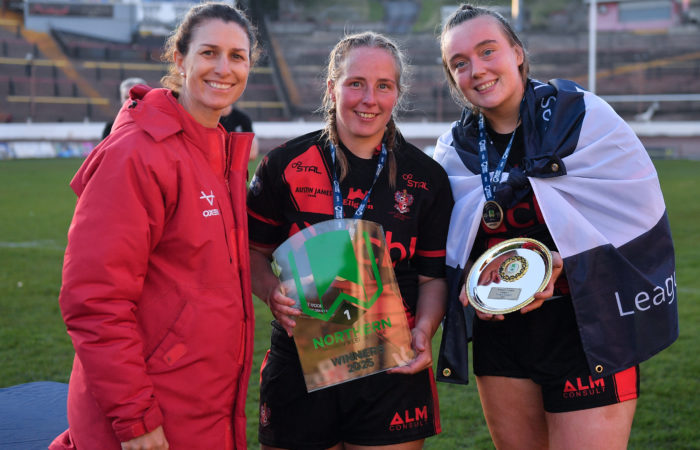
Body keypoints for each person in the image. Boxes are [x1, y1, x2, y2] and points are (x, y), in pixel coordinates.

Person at [433, 4, 678, 449]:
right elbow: (447, 242)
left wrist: (564, 262)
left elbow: (638, 215)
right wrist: (468, 279)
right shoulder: (454, 149)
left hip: (588, 327)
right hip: (500, 336)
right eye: (460, 63)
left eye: (488, 51)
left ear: (517, 53)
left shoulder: (582, 117)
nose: (477, 70)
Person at [50, 3, 259, 449]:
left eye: (237, 56)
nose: (224, 68)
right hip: (151, 418)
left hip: (202, 408)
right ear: (180, 60)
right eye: (209, 52)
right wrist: (136, 419)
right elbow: (95, 299)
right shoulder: (137, 152)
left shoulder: (218, 148)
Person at [247, 31, 453, 449]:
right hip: (301, 361)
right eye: (356, 83)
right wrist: (271, 292)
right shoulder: (284, 164)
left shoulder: (426, 178)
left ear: (397, 94)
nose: (369, 99)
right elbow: (252, 251)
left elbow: (432, 277)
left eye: (384, 86)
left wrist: (425, 329)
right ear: (332, 87)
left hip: (391, 364)